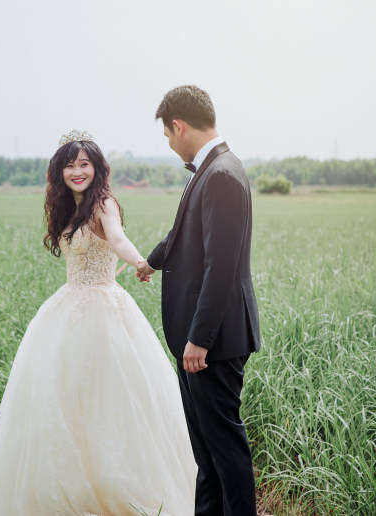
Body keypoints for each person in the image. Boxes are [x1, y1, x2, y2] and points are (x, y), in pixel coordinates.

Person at [0, 130, 196, 516]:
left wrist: (140, 261)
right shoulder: (66, 207)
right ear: (60, 172)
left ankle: (118, 488)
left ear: (96, 168)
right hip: (67, 308)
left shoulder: (104, 203)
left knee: (110, 398)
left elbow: (117, 238)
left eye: (84, 164)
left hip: (104, 309)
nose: (77, 171)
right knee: (60, 398)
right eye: (70, 165)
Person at [137, 85, 261, 516]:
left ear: (179, 125)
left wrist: (200, 339)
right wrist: (152, 261)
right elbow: (184, 234)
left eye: (168, 136)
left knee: (224, 451)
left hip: (213, 343)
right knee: (206, 455)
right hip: (200, 340)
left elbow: (221, 267)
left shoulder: (222, 174)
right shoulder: (210, 169)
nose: (170, 145)